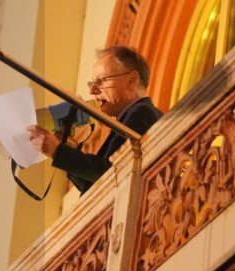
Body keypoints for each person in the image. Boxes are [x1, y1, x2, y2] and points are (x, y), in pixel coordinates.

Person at [26, 46, 163, 193]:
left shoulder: (142, 112)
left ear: (131, 80)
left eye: (102, 81)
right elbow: (93, 187)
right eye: (92, 83)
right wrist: (66, 149)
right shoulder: (128, 119)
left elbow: (116, 175)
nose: (92, 91)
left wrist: (58, 151)